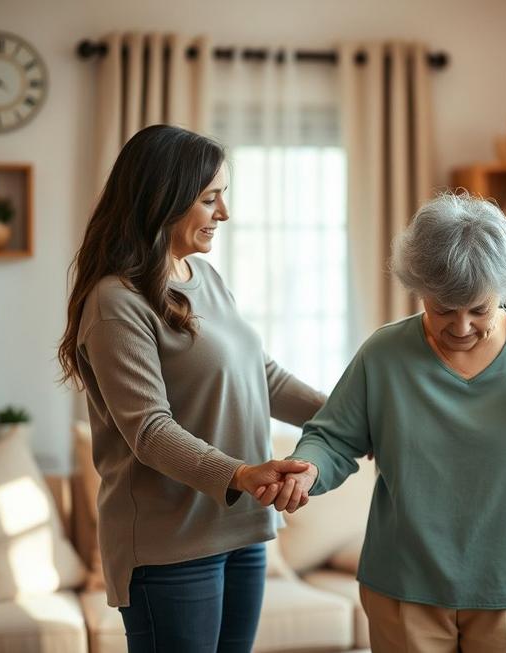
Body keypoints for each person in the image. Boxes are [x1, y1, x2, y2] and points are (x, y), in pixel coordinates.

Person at [266, 192, 506, 652]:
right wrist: (310, 468)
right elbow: (332, 437)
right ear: (419, 289)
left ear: (504, 292)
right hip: (404, 586)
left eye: (479, 310)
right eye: (443, 309)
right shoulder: (385, 354)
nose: (461, 327)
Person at [57, 124, 325, 653]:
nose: (223, 213)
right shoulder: (116, 303)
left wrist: (353, 415)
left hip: (242, 527)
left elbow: (261, 376)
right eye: (209, 198)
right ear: (164, 200)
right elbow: (150, 431)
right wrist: (243, 473)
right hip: (170, 545)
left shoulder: (203, 276)